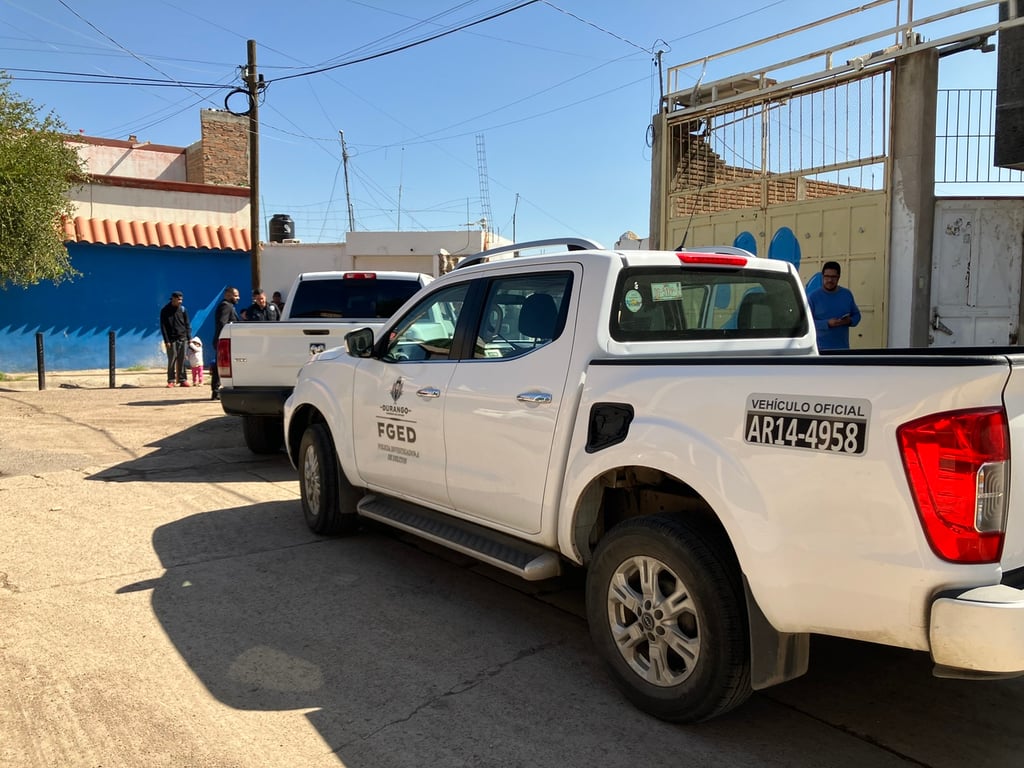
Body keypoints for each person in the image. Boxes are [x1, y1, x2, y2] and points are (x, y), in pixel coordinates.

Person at [807, 261, 861, 350]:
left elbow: (857, 316)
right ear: (822, 276)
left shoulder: (846, 294)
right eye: (827, 276)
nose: (829, 280)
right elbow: (807, 324)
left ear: (838, 277)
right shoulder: (813, 297)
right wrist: (827, 323)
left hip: (842, 348)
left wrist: (849, 321)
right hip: (820, 349)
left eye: (833, 277)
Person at [210, 286, 240, 400]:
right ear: (228, 295)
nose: (238, 298)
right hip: (224, 341)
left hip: (225, 341)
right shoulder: (226, 306)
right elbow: (222, 324)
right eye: (235, 295)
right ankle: (216, 391)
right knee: (220, 366)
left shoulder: (229, 306)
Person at [159, 291, 192, 387]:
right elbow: (163, 327)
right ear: (173, 299)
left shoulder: (183, 309)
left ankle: (182, 379)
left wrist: (189, 337)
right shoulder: (165, 310)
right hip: (171, 340)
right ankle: (171, 380)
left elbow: (187, 324)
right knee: (172, 360)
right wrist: (167, 340)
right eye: (178, 299)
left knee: (182, 359)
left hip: (183, 338)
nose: (180, 301)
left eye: (181, 299)